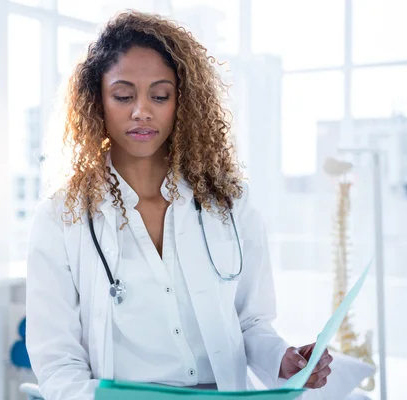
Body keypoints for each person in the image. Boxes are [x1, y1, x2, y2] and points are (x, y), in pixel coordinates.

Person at [25, 10, 332, 400]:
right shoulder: (59, 217)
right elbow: (58, 363)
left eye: (160, 95)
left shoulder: (229, 203)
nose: (142, 110)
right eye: (123, 95)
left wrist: (282, 361)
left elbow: (252, 321)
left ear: (181, 103)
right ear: (97, 101)